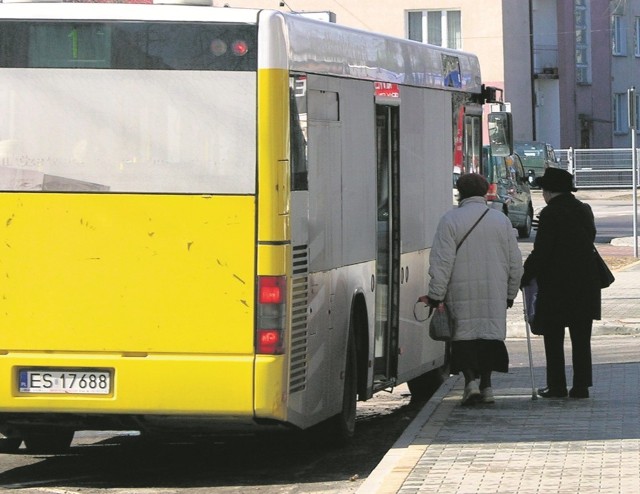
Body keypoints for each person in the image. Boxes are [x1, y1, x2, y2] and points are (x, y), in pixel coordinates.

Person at [419, 173, 523, 406]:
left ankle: (470, 384)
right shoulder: (501, 220)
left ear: (460, 192)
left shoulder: (450, 220)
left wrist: (436, 294)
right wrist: (510, 292)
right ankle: (487, 387)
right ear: (485, 192)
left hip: (460, 291)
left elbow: (441, 261)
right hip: (494, 292)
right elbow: (515, 261)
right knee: (489, 337)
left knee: (464, 338)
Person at [521, 168, 601, 399]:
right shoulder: (583, 209)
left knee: (553, 337)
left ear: (549, 191)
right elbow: (590, 238)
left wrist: (525, 276)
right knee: (581, 338)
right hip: (586, 283)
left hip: (556, 286)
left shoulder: (550, 214)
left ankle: (556, 386)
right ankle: (581, 386)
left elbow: (542, 251)